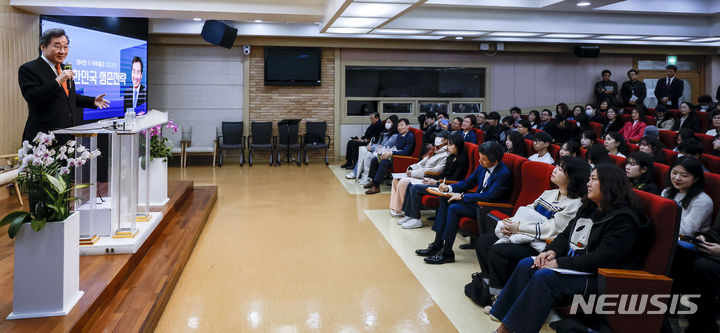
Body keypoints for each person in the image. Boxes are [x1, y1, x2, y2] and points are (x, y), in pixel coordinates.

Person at [490, 164, 653, 333]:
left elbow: (603, 259)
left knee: (545, 276)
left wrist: (559, 263)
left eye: (594, 179)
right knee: (527, 265)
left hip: (599, 277)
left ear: (610, 184)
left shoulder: (624, 220)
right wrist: (550, 252)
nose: (588, 184)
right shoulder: (589, 207)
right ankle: (503, 328)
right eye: (589, 179)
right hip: (574, 267)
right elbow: (565, 235)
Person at [472, 156, 589, 312]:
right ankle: (489, 285)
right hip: (522, 235)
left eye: (560, 169)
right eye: (556, 166)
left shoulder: (575, 204)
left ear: (573, 177)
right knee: (483, 243)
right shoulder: (549, 193)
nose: (554, 170)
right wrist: (510, 224)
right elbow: (527, 210)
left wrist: (518, 227)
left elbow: (551, 229)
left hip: (541, 245)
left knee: (498, 251)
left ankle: (501, 300)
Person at [415, 141, 511, 264]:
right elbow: (468, 182)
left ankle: (447, 252)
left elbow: (489, 196)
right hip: (477, 202)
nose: (480, 162)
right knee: (445, 200)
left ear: (494, 161)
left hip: (488, 209)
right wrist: (449, 188)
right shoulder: (482, 166)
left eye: (483, 159)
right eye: (480, 158)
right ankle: (437, 244)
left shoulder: (504, 174)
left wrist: (462, 196)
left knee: (454, 208)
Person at [19, 28, 110, 143]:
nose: (62, 51)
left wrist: (92, 101)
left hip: (67, 136)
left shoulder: (63, 68)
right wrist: (58, 80)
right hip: (43, 138)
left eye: (66, 47)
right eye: (57, 46)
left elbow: (68, 97)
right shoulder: (29, 69)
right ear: (43, 47)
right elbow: (33, 97)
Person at [398, 133, 469, 229]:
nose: (448, 147)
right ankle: (409, 215)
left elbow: (455, 179)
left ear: (458, 145)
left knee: (416, 188)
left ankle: (416, 219)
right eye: (448, 144)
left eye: (451, 145)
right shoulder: (451, 157)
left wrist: (436, 182)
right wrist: (432, 179)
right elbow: (443, 174)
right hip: (441, 183)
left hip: (449, 187)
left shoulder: (462, 160)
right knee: (411, 184)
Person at [670, 219, 720, 333]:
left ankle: (702, 326)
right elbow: (716, 232)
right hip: (714, 253)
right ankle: (668, 316)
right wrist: (704, 239)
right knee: (677, 252)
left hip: (715, 258)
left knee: (704, 268)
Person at [390, 130, 450, 217]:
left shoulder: (446, 154)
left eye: (439, 137)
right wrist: (411, 169)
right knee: (396, 179)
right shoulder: (434, 150)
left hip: (427, 177)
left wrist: (413, 173)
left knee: (403, 182)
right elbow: (421, 163)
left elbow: (436, 170)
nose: (436, 139)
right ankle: (395, 207)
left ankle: (401, 209)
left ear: (445, 140)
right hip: (418, 174)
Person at [661, 156, 713, 235]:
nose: (677, 178)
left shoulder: (703, 201)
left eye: (684, 175)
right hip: (666, 233)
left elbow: (686, 230)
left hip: (687, 241)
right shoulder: (667, 191)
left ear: (696, 178)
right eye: (674, 173)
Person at [365, 118, 415, 194]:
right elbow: (396, 148)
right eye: (398, 126)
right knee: (375, 159)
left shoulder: (410, 136)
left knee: (384, 161)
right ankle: (373, 181)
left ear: (408, 126)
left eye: (402, 125)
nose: (400, 127)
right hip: (395, 157)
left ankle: (376, 186)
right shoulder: (399, 136)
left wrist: (391, 153)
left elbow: (406, 152)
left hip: (403, 159)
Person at [347, 116, 398, 182]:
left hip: (384, 154)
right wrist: (370, 146)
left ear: (393, 124)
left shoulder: (394, 136)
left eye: (389, 122)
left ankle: (366, 176)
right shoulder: (384, 133)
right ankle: (358, 173)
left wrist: (372, 148)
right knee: (363, 151)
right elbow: (379, 144)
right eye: (386, 122)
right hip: (378, 151)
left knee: (367, 155)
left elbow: (384, 147)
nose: (386, 124)